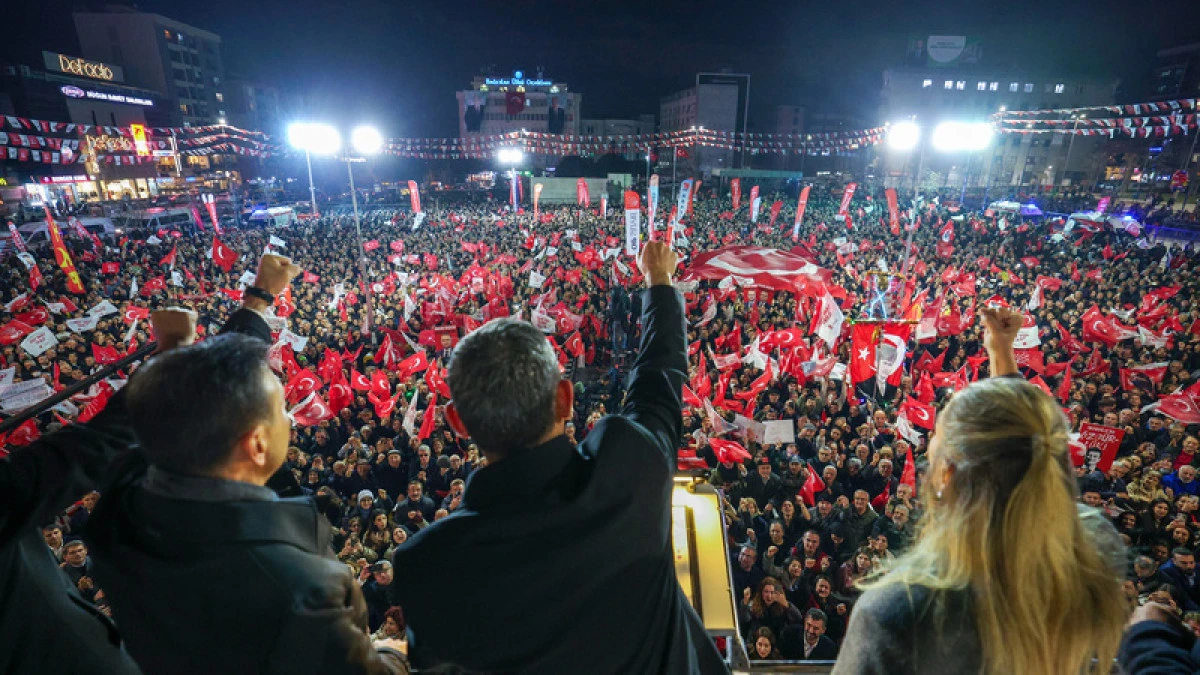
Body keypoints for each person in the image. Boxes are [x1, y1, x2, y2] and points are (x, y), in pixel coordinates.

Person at [390, 241, 728, 673]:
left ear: (457, 423)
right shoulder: (629, 469)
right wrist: (659, 282)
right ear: (565, 399)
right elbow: (659, 381)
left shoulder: (428, 565)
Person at [84, 254, 409, 674]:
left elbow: (154, 417)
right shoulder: (295, 582)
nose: (289, 419)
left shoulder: (118, 515)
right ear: (257, 443)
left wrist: (250, 308)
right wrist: (395, 656)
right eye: (280, 410)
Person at [832, 307, 1127, 675]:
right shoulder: (1091, 566)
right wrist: (1003, 357)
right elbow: (1031, 453)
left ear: (946, 476)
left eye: (935, 445)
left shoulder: (900, 611)